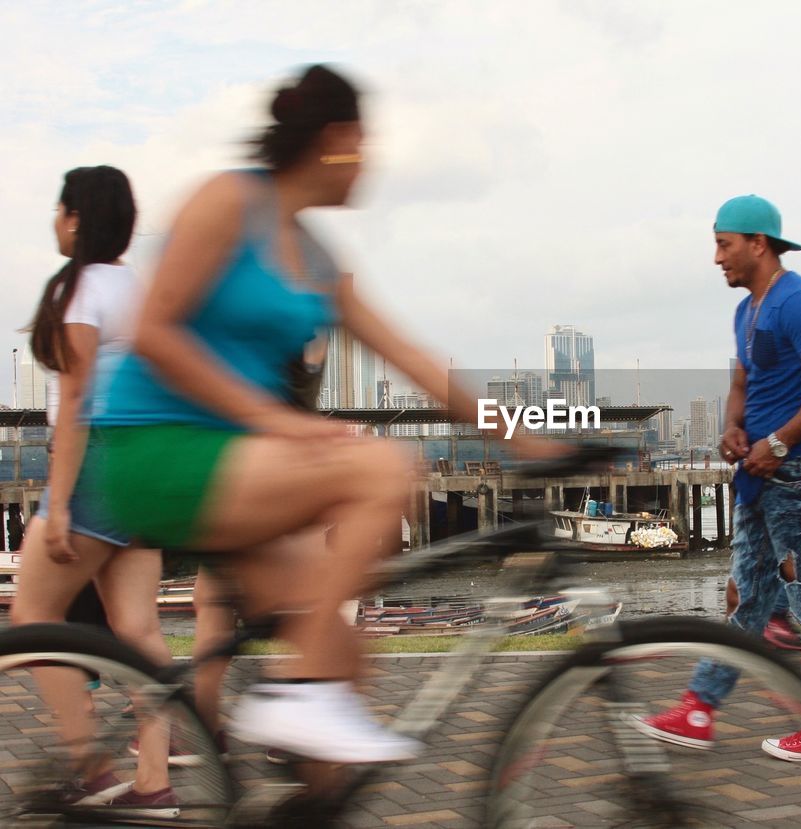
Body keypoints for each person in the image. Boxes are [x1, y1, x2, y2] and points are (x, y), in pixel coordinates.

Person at [91, 65, 540, 764]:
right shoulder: (228, 201)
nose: (371, 160)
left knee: (342, 655)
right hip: (160, 447)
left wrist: (529, 440)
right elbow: (152, 330)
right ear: (335, 138)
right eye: (366, 142)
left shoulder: (318, 255)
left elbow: (416, 361)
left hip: (232, 466)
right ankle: (295, 692)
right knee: (381, 469)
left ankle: (306, 742)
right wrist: (278, 422)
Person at [636, 194, 801, 761]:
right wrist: (733, 428)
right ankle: (699, 708)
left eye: (723, 244)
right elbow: (742, 384)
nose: (716, 258)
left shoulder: (798, 302)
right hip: (759, 479)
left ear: (758, 244)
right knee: (748, 599)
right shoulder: (746, 311)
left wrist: (781, 440)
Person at [10, 165, 178, 815]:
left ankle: (90, 764)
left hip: (97, 465)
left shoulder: (81, 289)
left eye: (59, 209)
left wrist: (56, 504)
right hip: (143, 466)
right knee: (137, 627)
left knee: (30, 620)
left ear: (77, 216)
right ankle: (153, 780)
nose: (54, 219)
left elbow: (76, 399)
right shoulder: (133, 287)